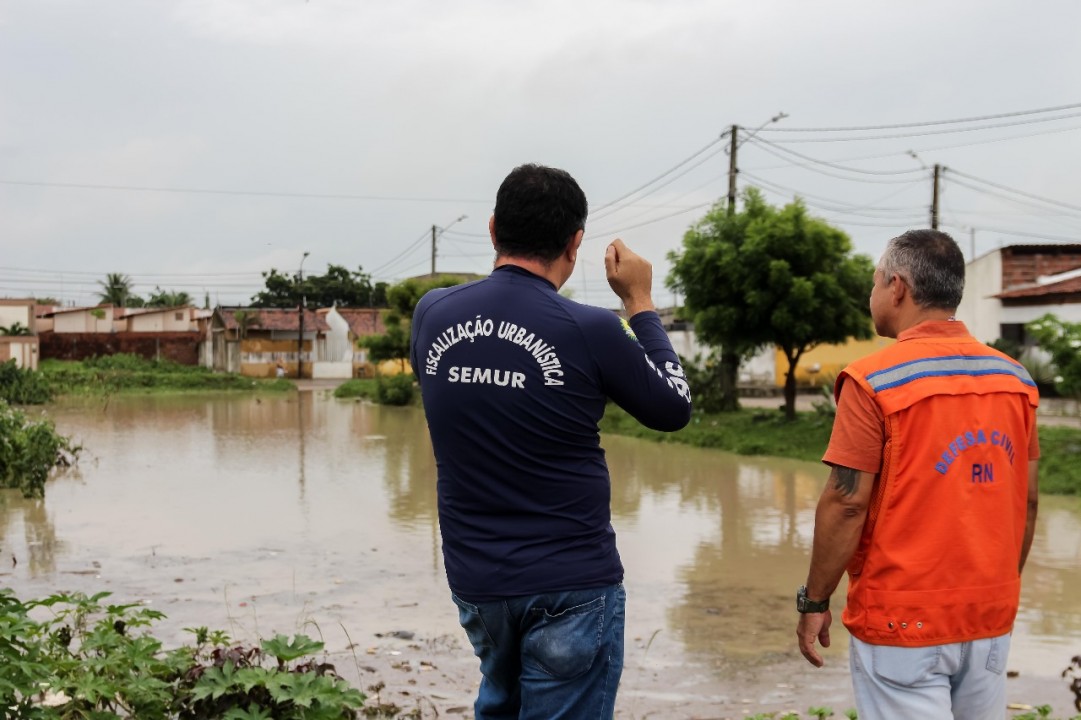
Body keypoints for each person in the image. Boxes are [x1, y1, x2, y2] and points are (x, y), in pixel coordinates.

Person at [410, 163, 693, 719]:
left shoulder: (433, 313)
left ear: (493, 229)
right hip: (571, 584)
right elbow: (673, 407)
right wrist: (640, 302)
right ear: (575, 242)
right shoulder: (590, 329)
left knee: (500, 703)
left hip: (478, 581)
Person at [796, 229, 1040, 719]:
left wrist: (815, 599)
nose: (872, 296)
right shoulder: (1016, 381)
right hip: (988, 615)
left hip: (900, 622)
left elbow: (847, 502)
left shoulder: (873, 380)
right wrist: (992, 588)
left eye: (874, 284)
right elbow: (1027, 501)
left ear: (897, 287)